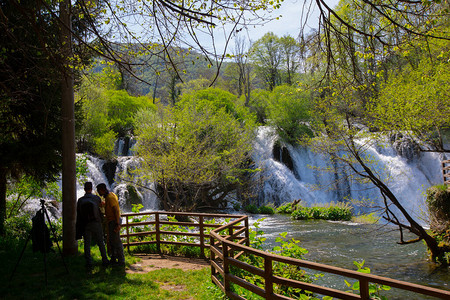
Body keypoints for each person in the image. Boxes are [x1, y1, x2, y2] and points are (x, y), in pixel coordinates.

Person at [76, 182, 109, 268]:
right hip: (96, 223)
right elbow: (101, 208)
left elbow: (78, 215)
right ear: (91, 189)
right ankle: (105, 260)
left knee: (87, 244)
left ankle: (89, 263)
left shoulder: (80, 200)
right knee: (101, 242)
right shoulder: (96, 198)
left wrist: (78, 228)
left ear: (84, 189)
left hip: (86, 224)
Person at [96, 183, 125, 266]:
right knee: (112, 241)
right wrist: (105, 205)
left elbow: (115, 210)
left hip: (114, 220)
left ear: (102, 190)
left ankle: (121, 260)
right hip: (112, 220)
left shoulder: (110, 197)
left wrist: (117, 223)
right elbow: (112, 206)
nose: (99, 193)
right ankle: (114, 258)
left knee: (116, 241)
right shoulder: (111, 195)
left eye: (99, 191)